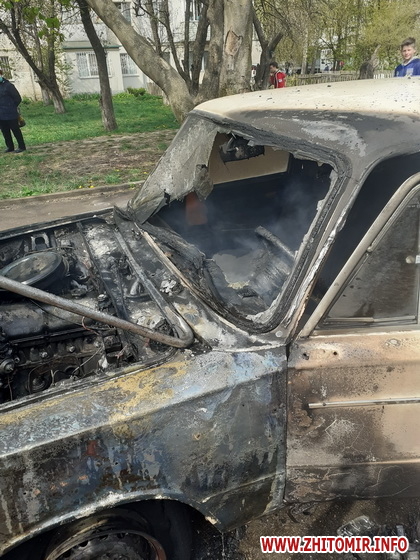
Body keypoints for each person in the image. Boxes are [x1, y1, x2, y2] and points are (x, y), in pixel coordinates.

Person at [0, 69, 26, 153]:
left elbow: (17, 98)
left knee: (15, 130)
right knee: (5, 131)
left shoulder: (8, 85)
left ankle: (21, 146)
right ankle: (10, 147)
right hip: (1, 114)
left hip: (11, 113)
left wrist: (11, 106)